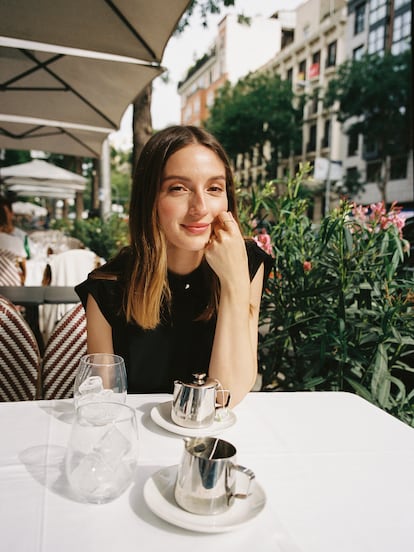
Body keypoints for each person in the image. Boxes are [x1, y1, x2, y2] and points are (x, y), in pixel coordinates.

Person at [75, 125, 273, 407]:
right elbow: (103, 407)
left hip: (212, 436)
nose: (201, 207)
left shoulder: (246, 261)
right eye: (178, 188)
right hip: (141, 440)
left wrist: (233, 282)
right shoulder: (107, 286)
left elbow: (225, 396)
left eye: (214, 188)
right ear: (150, 199)